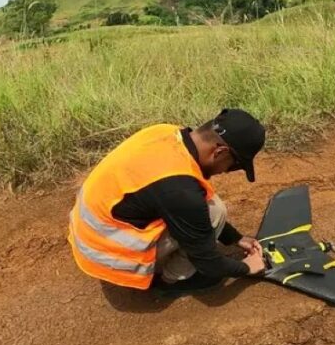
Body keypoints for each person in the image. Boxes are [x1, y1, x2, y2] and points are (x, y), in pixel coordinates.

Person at [68, 108, 267, 298]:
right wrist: (249, 266)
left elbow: (170, 198)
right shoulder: (181, 191)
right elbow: (208, 262)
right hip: (108, 254)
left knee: (204, 208)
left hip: (93, 232)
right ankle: (171, 281)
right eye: (234, 165)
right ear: (220, 152)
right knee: (215, 212)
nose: (226, 171)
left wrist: (235, 238)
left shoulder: (166, 132)